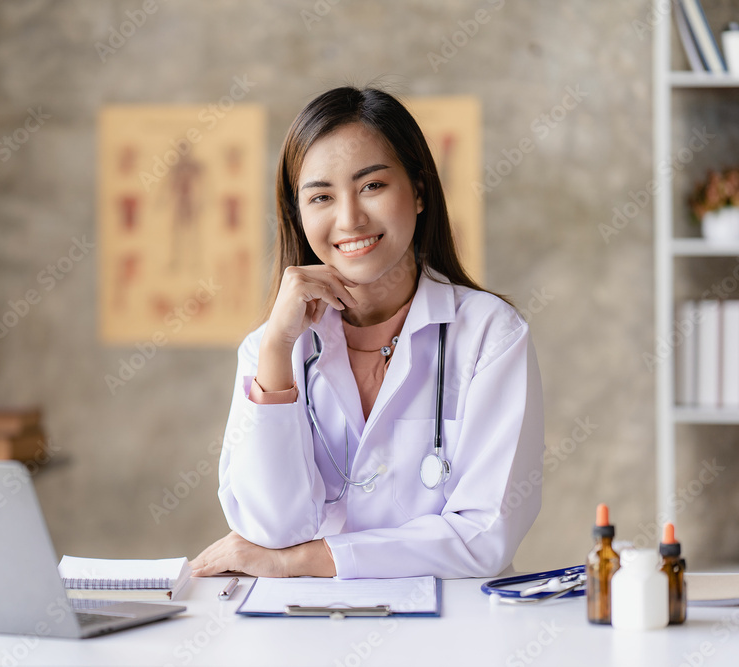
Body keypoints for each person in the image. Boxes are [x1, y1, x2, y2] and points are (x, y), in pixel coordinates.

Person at [190, 86, 544, 580]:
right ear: (298, 214)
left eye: (372, 186)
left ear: (419, 191)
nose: (350, 218)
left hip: (453, 637)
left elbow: (484, 534)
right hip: (313, 632)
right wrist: (275, 351)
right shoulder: (270, 351)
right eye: (320, 197)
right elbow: (269, 528)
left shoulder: (489, 335)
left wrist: (303, 561)